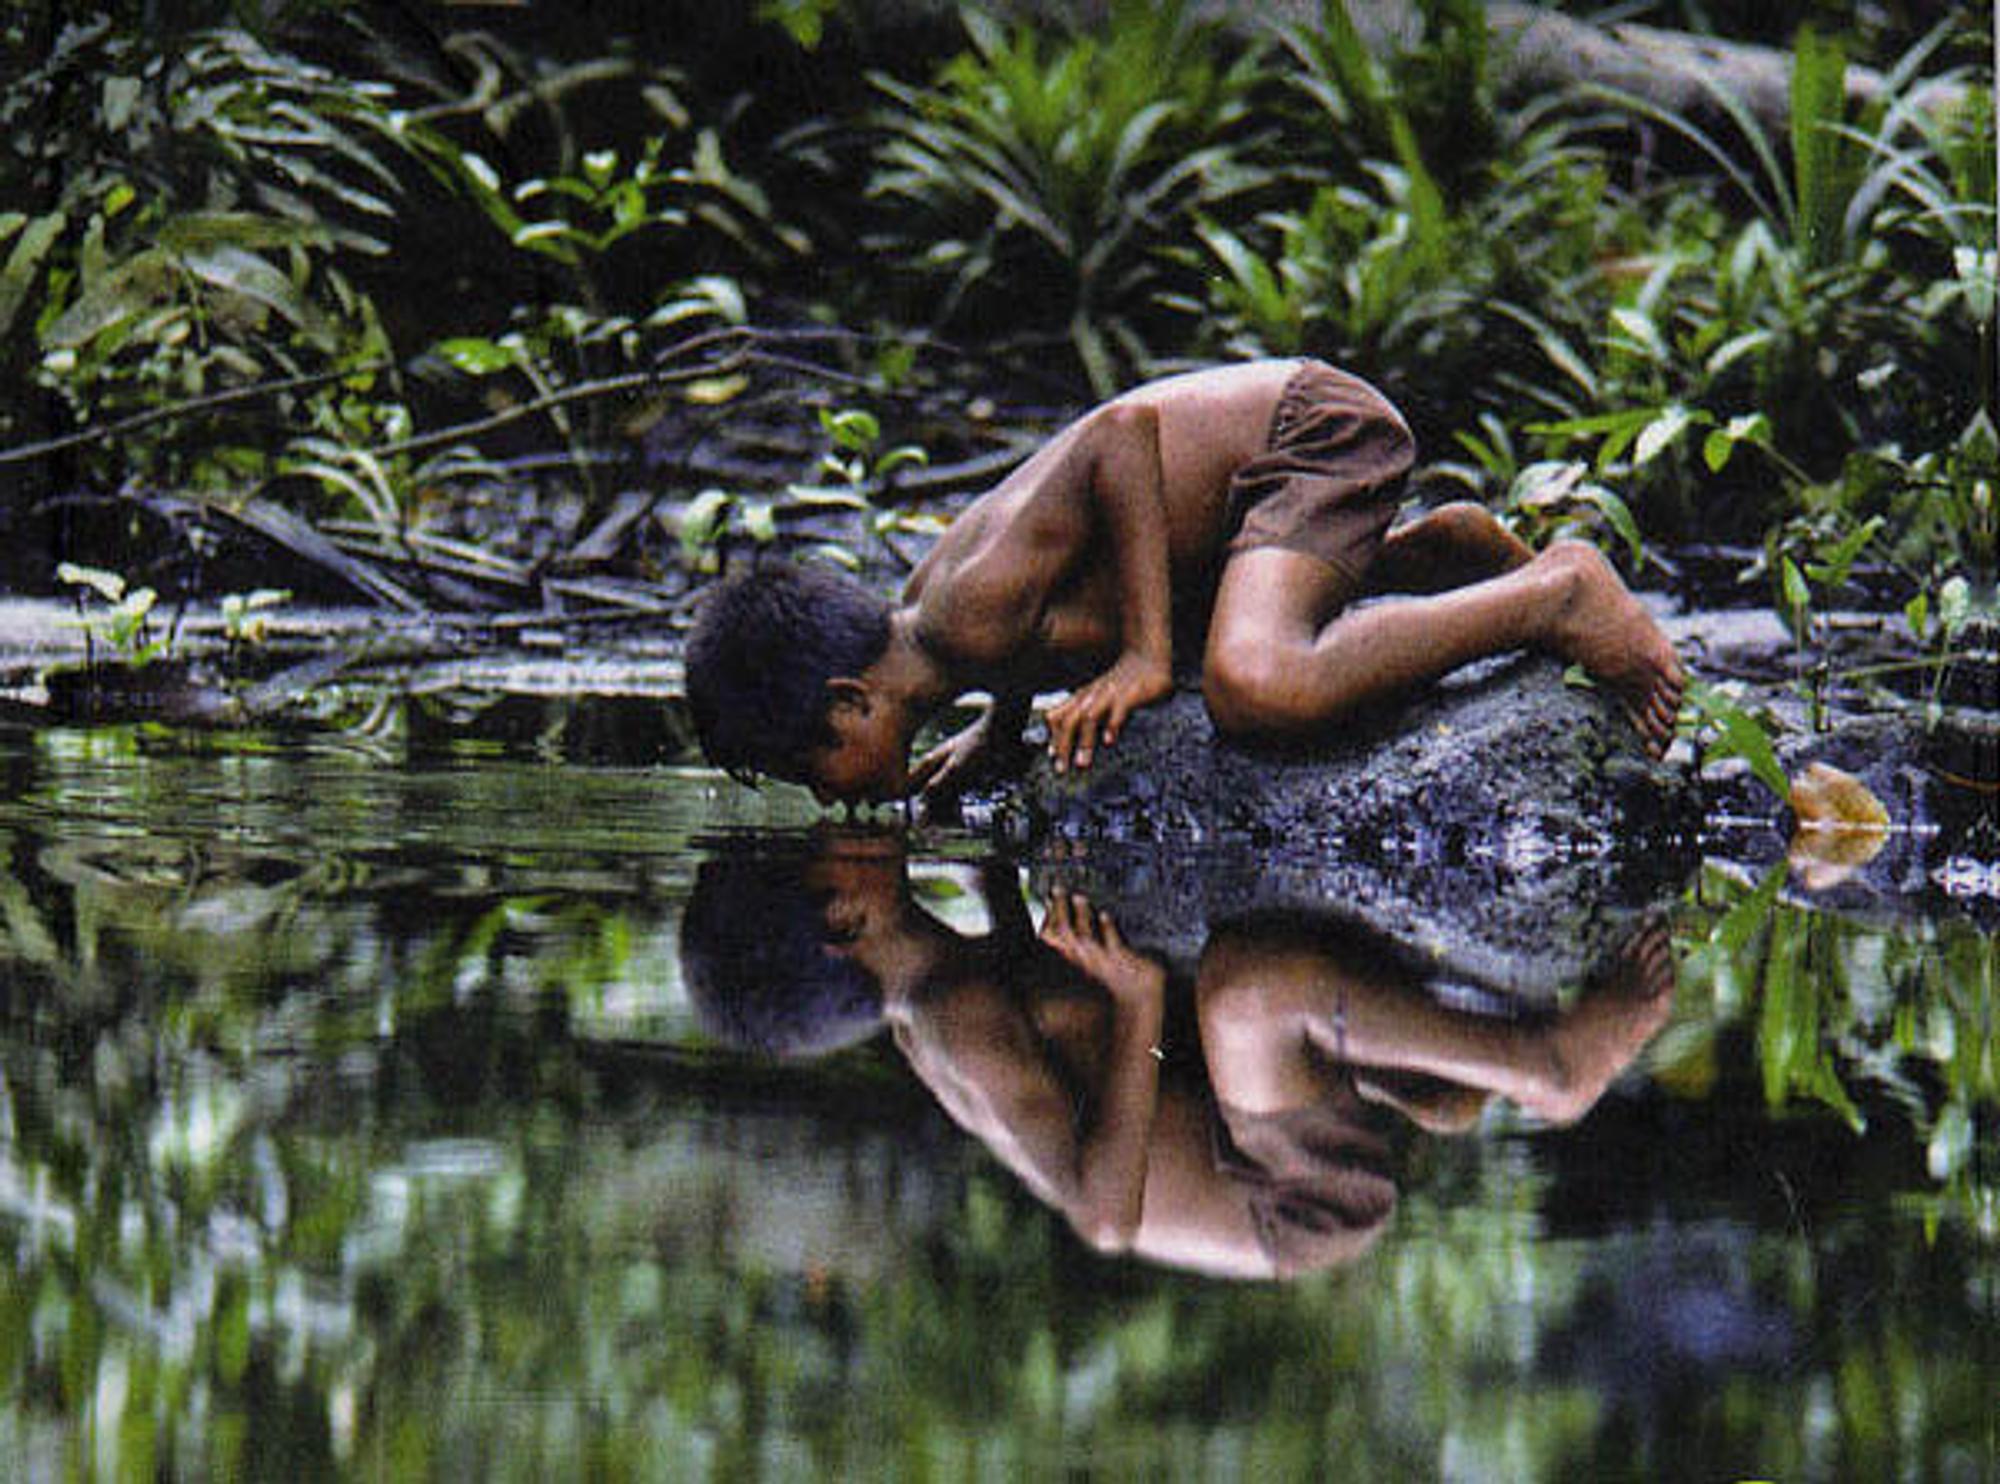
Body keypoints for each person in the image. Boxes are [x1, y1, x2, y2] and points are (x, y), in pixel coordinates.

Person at [686, 359, 1685, 806]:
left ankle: (1553, 593)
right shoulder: (947, 630)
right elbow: (1042, 614)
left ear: (848, 702)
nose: (821, 803)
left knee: (1253, 683)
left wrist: (1142, 656)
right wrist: (1001, 727)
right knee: (1227, 644)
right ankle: (1433, 556)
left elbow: (1120, 436)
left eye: (802, 771)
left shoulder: (963, 606)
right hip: (1244, 508)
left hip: (1307, 438)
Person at [678, 834, 1677, 1280]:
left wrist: (1001, 868)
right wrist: (1139, 997)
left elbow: (1046, 1015)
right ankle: (1536, 1064)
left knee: (1234, 993)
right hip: (1283, 1196)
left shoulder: (936, 994)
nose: (853, 824)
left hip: (1237, 1123)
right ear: (842, 912)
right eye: (830, 841)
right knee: (1248, 988)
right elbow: (1104, 1217)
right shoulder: (950, 1019)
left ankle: (1411, 1076)